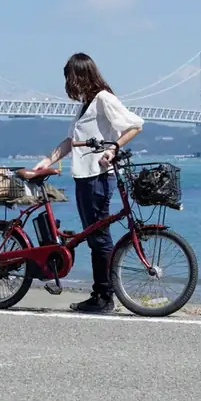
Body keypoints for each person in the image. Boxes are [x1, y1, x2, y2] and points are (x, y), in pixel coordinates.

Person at [31, 52, 143, 314]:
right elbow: (70, 141)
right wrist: (47, 160)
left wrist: (113, 148)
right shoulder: (85, 104)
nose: (68, 84)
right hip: (84, 176)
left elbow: (135, 125)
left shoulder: (103, 99)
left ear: (80, 75)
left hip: (99, 176)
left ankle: (103, 297)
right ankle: (100, 294)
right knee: (95, 237)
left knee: (99, 238)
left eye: (69, 77)